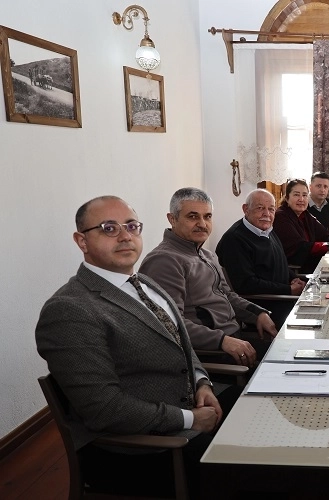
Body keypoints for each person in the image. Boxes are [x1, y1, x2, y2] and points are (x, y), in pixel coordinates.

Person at [35, 195, 235, 497]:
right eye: (109, 228)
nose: (125, 236)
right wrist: (192, 418)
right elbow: (104, 410)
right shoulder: (69, 310)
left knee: (259, 413)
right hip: (140, 450)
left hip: (185, 402)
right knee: (260, 472)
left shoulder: (144, 283)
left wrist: (201, 382)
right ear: (82, 241)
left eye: (131, 226)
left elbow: (181, 342)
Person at [139, 188, 277, 366]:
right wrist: (222, 341)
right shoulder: (164, 261)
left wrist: (258, 313)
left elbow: (228, 295)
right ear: (172, 219)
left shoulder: (206, 255)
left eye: (207, 216)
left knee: (294, 351)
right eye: (193, 217)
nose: (202, 224)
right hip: (209, 353)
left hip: (234, 338)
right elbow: (169, 323)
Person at [216, 188, 306, 326]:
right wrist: (288, 290)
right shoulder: (234, 239)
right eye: (260, 208)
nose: (267, 214)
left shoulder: (267, 230)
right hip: (266, 309)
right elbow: (246, 284)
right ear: (246, 209)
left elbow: (278, 263)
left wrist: (294, 278)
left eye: (271, 209)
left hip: (285, 298)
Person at [273, 178, 329, 274]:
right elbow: (301, 247)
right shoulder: (281, 216)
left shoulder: (304, 214)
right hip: (296, 270)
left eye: (304, 195)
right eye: (296, 195)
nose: (301, 199)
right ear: (287, 198)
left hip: (311, 261)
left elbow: (324, 234)